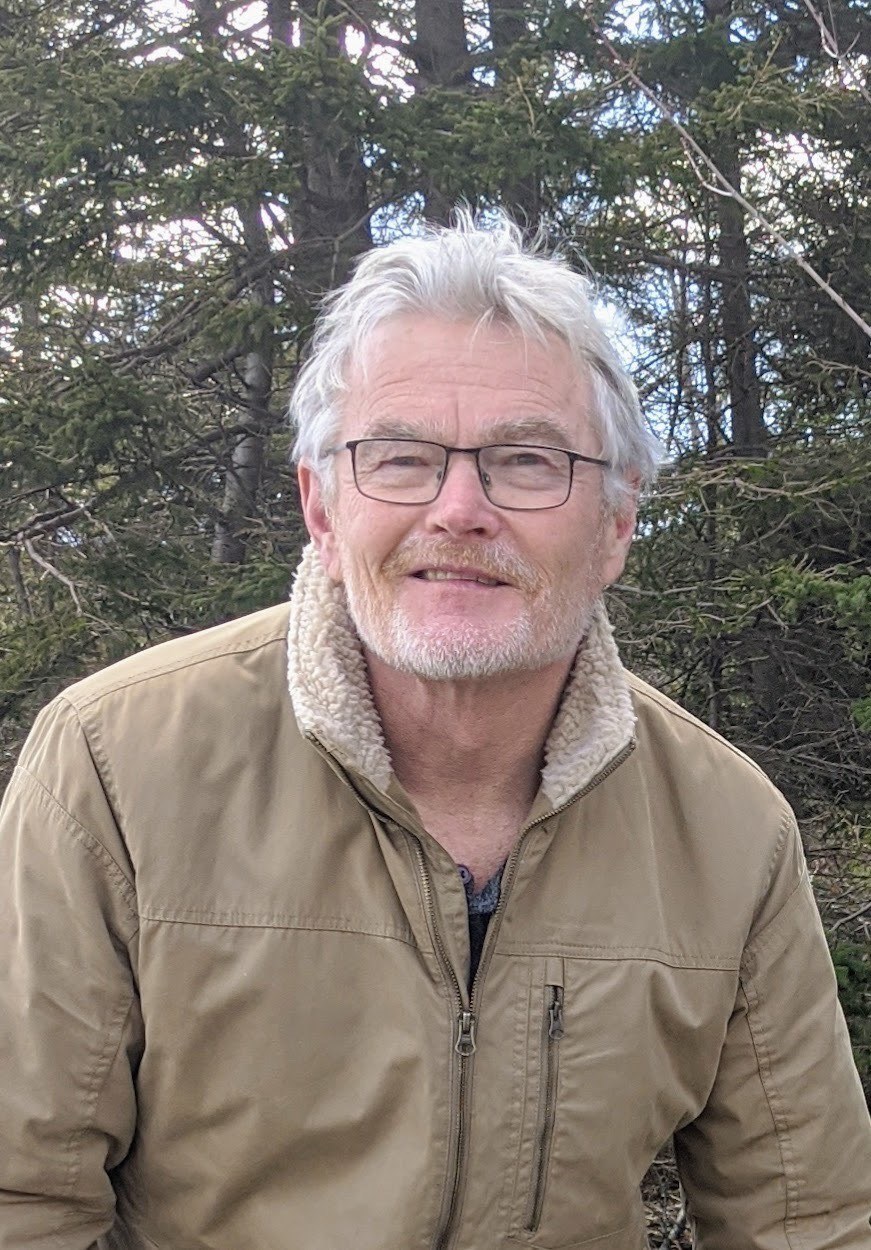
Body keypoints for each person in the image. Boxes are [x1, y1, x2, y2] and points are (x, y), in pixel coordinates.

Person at [1, 213, 869, 1250]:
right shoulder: (114, 768)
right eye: (401, 458)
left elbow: (809, 1221)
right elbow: (22, 1196)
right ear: (322, 509)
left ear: (616, 523)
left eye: (528, 460)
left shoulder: (727, 829)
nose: (459, 508)